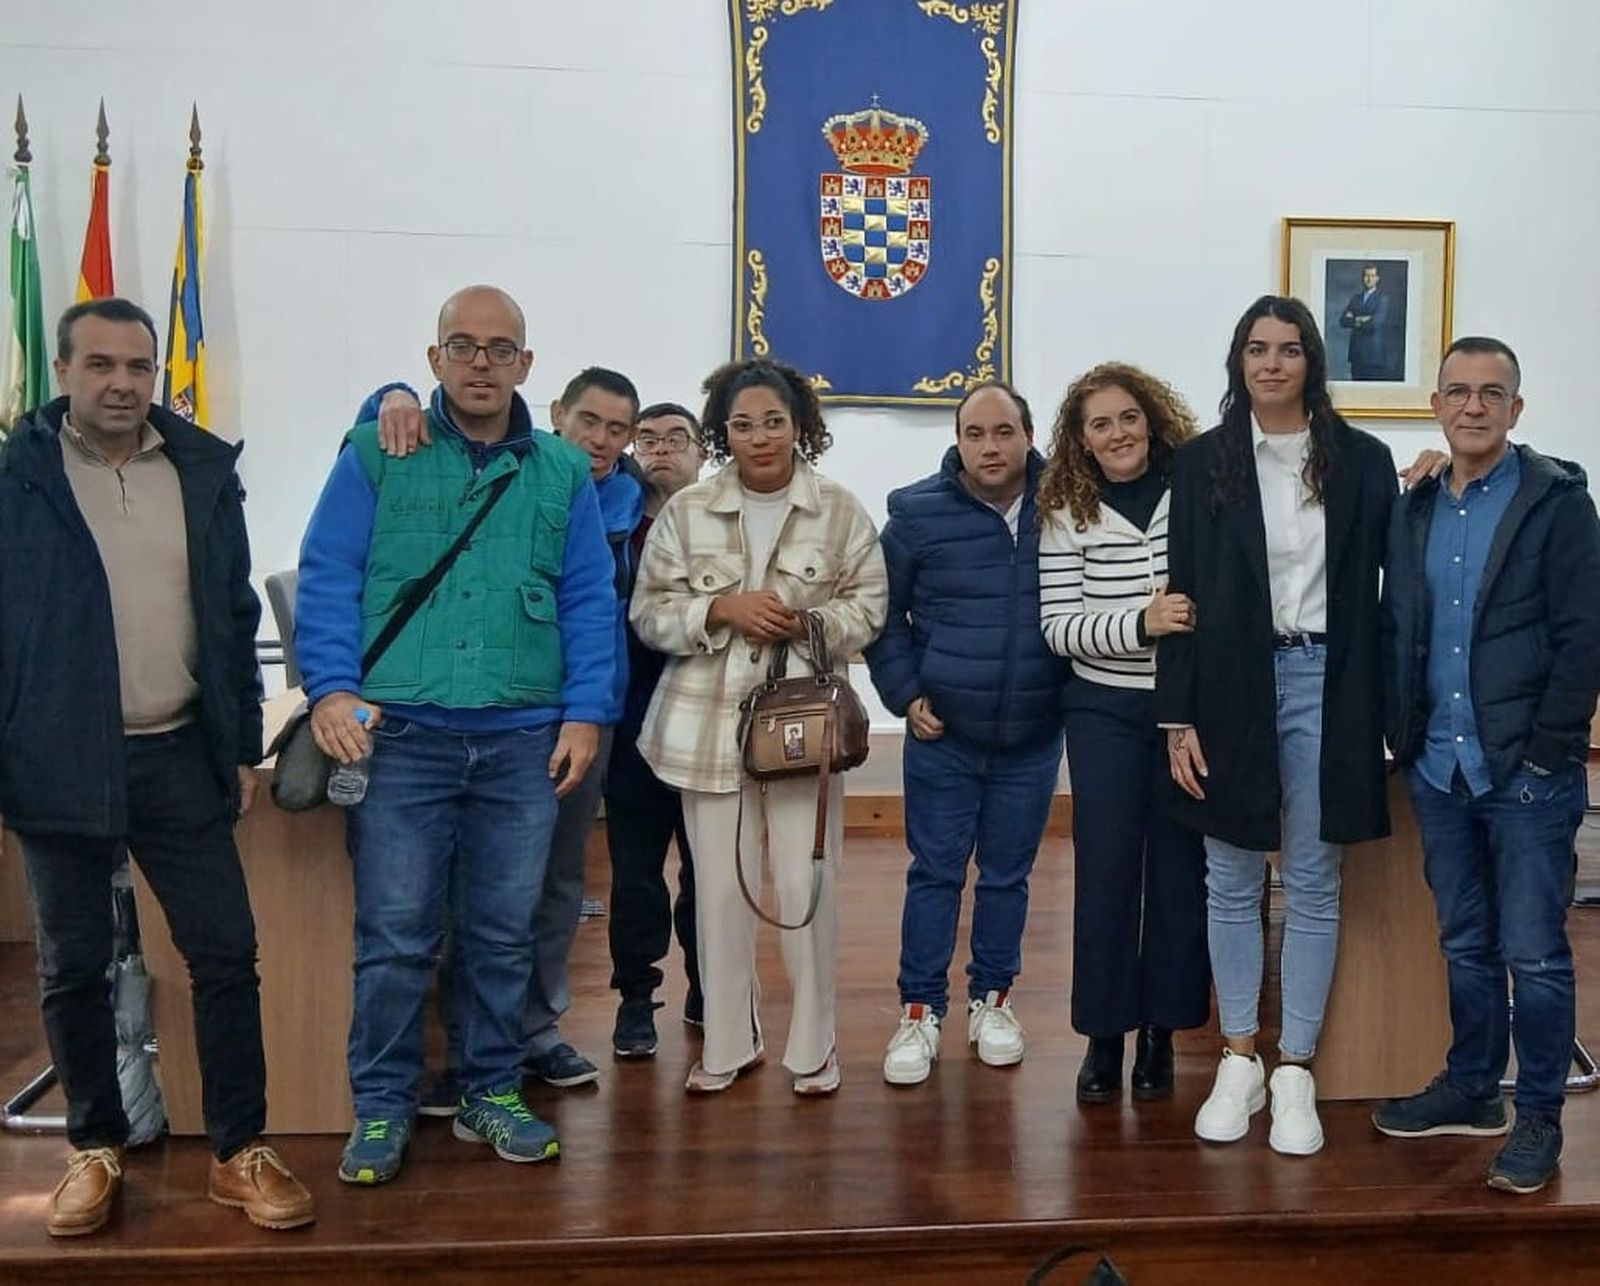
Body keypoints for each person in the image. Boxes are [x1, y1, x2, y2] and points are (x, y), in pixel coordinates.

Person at [0, 298, 313, 1235]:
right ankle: (95, 1148)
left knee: (225, 953)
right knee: (74, 966)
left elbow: (229, 618)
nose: (121, 383)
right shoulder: (19, 480)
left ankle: (237, 1150)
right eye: (100, 365)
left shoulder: (201, 469)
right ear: (63, 372)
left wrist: (237, 743)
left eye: (137, 366)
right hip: (57, 757)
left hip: (178, 752)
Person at [297, 285, 617, 1184]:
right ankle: (384, 1107)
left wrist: (587, 711)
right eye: (464, 347)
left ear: (527, 362)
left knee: (503, 930)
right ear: (434, 359)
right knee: (396, 935)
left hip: (523, 739)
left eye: (501, 348)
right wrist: (330, 689)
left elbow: (589, 598)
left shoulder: (561, 470)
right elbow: (329, 576)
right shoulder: (378, 449)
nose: (482, 363)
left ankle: (489, 1089)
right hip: (400, 736)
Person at [1156, 295, 1399, 1157]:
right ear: (1238, 361)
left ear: (1311, 363)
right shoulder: (1202, 463)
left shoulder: (1364, 462)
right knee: (1228, 875)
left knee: (1313, 878)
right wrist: (1176, 713)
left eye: (1288, 350)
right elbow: (1180, 596)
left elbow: (1392, 590)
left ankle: (1294, 1064)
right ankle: (1238, 1057)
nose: (1271, 364)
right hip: (1228, 683)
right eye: (1256, 349)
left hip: (1326, 681)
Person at [364, 366, 645, 1090]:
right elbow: (401, 424)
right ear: (557, 413)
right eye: (591, 422)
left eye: (619, 429)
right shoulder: (522, 469)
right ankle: (451, 1044)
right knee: (453, 890)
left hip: (583, 713)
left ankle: (533, 1027)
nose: (603, 441)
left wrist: (589, 710)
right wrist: (389, 394)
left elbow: (590, 603)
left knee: (550, 882)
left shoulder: (632, 498)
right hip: (478, 714)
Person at [1375, 336, 1600, 1194]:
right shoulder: (1418, 504)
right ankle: (1473, 1087)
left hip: (1528, 774)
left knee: (1535, 953)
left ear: (1516, 409)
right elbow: (1402, 627)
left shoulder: (1558, 503)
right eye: (1458, 392)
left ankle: (1539, 1116)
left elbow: (1584, 637)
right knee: (1465, 942)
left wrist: (1551, 746)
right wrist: (1403, 735)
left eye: (1491, 393)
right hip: (1440, 767)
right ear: (1435, 405)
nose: (1473, 406)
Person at [631, 358, 887, 1095]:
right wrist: (718, 610)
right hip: (703, 729)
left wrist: (805, 621)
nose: (759, 437)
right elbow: (648, 612)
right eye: (741, 424)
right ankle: (729, 1044)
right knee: (716, 889)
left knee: (807, 884)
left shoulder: (839, 510)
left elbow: (869, 606)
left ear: (801, 425)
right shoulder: (686, 512)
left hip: (803, 730)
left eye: (774, 421)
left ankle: (814, 1047)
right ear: (722, 434)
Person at [864, 381, 1069, 1086]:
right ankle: (920, 1011)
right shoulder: (916, 513)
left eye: (1003, 432)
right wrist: (905, 693)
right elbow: (882, 617)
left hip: (1035, 736)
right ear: (957, 439)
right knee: (936, 874)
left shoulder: (1070, 505)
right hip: (943, 733)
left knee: (1009, 877)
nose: (990, 446)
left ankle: (995, 1000)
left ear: (1028, 435)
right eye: (975, 433)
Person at [1037, 362, 1210, 1104]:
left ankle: (1163, 1037)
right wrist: (1142, 623)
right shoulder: (1063, 509)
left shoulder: (1197, 493)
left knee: (1180, 875)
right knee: (1107, 876)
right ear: (1080, 439)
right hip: (1102, 712)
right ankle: (1105, 1038)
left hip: (1187, 714)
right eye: (1099, 423)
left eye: (1128, 418)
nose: (1117, 434)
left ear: (1153, 419)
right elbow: (1058, 629)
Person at [607, 402, 707, 1056]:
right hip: (630, 724)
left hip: (707, 724)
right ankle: (637, 999)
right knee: (636, 873)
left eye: (678, 438)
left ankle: (710, 987)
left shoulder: (719, 526)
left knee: (708, 872)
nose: (662, 449)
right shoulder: (610, 526)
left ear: (703, 453)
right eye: (648, 439)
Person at [1338, 264, 1394, 381]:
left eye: (1372, 276)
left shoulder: (1382, 299)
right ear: (1362, 278)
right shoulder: (1355, 299)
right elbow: (1343, 321)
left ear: (1377, 278)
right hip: (1356, 355)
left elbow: (1375, 323)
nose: (1369, 279)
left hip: (1373, 356)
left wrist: (1354, 318)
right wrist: (1361, 319)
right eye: (1366, 276)